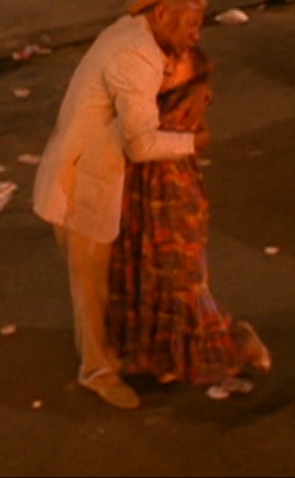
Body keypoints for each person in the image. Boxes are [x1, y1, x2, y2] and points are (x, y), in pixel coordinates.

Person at [32, 0, 213, 410]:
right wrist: (194, 142)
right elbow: (143, 142)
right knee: (92, 288)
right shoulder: (135, 56)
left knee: (108, 283)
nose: (195, 33)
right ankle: (96, 371)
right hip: (81, 188)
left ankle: (116, 356)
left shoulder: (132, 35)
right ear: (161, 13)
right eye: (189, 23)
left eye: (199, 23)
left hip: (92, 177)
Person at [107, 45, 271, 389]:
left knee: (178, 275)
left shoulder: (193, 93)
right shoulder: (152, 85)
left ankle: (230, 343)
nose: (167, 69)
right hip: (143, 189)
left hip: (171, 187)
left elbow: (179, 139)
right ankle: (158, 356)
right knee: (146, 270)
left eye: (175, 65)